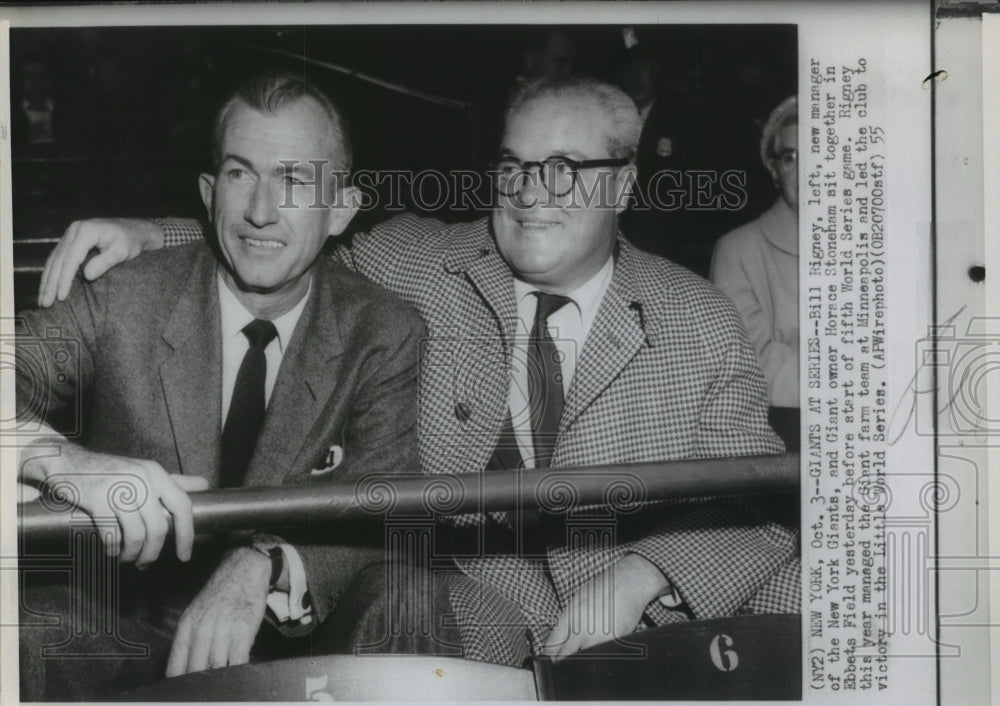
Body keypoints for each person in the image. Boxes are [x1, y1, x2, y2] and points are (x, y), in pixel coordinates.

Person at [38, 75, 799, 670]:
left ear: (624, 187)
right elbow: (290, 249)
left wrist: (640, 579)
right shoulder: (420, 261)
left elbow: (761, 491)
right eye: (514, 167)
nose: (531, 195)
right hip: (475, 607)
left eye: (565, 171)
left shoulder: (697, 319)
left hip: (645, 607)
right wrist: (149, 233)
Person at [16, 71, 425, 699]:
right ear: (210, 193)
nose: (260, 211)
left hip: (297, 647)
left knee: (410, 603)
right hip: (122, 632)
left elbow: (384, 502)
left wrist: (264, 561)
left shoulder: (383, 329)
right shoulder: (127, 297)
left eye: (292, 180)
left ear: (340, 208)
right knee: (27, 629)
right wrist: (67, 463)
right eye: (240, 174)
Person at [710, 96, 798, 441]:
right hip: (778, 435)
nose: (810, 171)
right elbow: (752, 368)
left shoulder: (880, 243)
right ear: (774, 171)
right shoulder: (738, 250)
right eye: (790, 158)